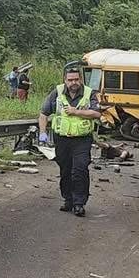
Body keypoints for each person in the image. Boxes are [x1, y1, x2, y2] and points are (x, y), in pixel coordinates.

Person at [39, 62, 103, 217]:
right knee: (65, 170)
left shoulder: (89, 93)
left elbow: (97, 114)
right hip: (61, 139)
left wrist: (76, 112)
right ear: (65, 80)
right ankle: (68, 200)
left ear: (80, 79)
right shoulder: (57, 92)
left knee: (80, 169)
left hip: (82, 139)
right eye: (70, 80)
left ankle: (79, 203)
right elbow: (43, 113)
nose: (73, 83)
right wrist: (42, 132)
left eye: (76, 79)